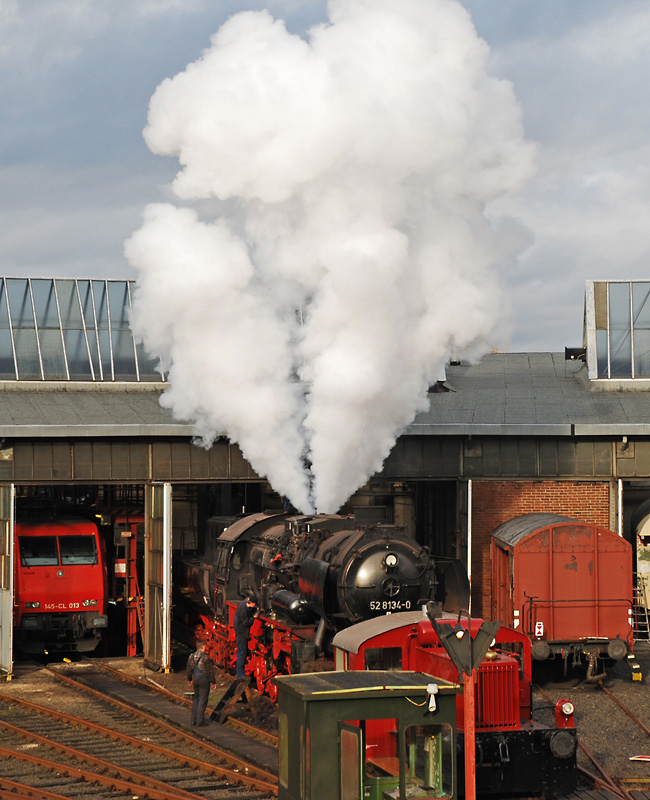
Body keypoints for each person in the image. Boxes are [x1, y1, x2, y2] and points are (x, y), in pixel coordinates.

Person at [186, 639, 216, 726]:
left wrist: (189, 679)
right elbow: (210, 671)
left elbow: (188, 669)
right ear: (204, 647)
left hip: (195, 679)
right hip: (204, 680)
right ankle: (200, 721)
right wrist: (213, 682)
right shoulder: (206, 657)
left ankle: (193, 720)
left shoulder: (191, 656)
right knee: (203, 700)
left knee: (196, 699)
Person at [234, 595, 257, 679]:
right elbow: (246, 623)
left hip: (242, 633)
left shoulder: (244, 604)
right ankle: (240, 675)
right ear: (252, 603)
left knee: (242, 653)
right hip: (241, 633)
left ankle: (240, 673)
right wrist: (253, 618)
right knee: (241, 653)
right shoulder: (243, 610)